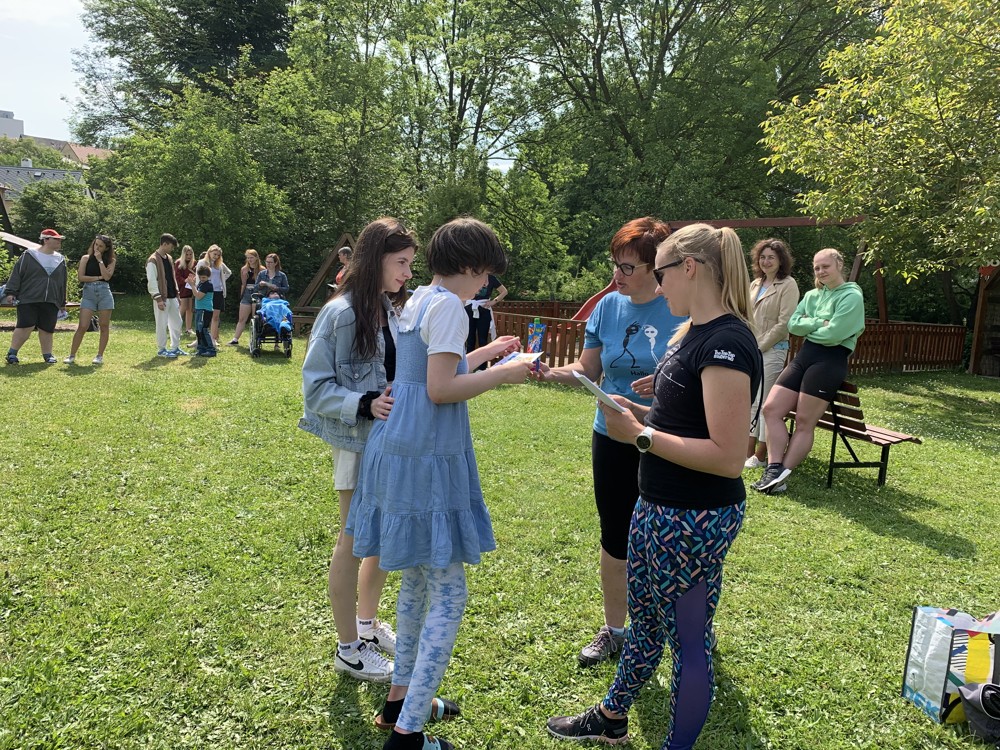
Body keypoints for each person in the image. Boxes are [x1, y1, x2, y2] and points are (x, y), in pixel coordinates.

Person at [547, 223, 762, 750]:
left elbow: (729, 457)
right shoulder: (693, 333)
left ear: (688, 268)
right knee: (644, 624)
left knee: (689, 642)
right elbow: (684, 421)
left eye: (661, 273)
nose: (658, 287)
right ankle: (612, 716)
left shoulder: (727, 342)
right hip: (658, 506)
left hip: (693, 517)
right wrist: (639, 412)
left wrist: (639, 435)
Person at [347, 218, 533, 750]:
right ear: (470, 266)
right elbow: (441, 389)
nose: (487, 284)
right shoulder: (450, 305)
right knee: (449, 593)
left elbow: (426, 372)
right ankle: (409, 734)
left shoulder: (420, 299)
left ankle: (399, 703)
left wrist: (490, 354)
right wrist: (509, 373)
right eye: (486, 274)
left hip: (399, 447)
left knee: (416, 581)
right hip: (425, 456)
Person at [530, 217, 684, 667]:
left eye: (627, 267)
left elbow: (701, 378)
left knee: (667, 540)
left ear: (658, 269)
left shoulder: (683, 308)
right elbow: (588, 370)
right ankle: (615, 631)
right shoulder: (607, 308)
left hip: (666, 438)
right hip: (611, 437)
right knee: (615, 534)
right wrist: (545, 372)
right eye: (615, 263)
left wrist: (666, 383)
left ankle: (679, 631)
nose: (617, 274)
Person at [300, 217, 417, 684]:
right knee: (352, 542)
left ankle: (367, 626)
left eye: (410, 263)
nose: (408, 272)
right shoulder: (341, 313)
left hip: (386, 443)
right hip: (355, 443)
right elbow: (315, 389)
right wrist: (365, 403)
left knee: (380, 539)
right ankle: (349, 650)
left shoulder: (387, 309)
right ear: (375, 260)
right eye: (401, 262)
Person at [753, 248, 865, 493]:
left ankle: (781, 474)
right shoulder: (813, 295)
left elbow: (835, 334)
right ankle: (774, 468)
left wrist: (810, 327)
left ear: (839, 265)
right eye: (817, 268)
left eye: (826, 266)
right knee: (771, 410)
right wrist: (819, 323)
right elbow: (793, 325)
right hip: (805, 357)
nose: (821, 271)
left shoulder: (851, 296)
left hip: (829, 362)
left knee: (804, 421)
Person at [744, 239, 799, 471]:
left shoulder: (788, 284)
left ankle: (760, 454)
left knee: (765, 403)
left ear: (781, 261)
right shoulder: (755, 284)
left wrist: (760, 346)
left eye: (771, 258)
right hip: (752, 349)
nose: (766, 261)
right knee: (751, 400)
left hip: (772, 350)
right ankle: (747, 451)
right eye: (763, 257)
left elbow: (784, 323)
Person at [4, 228, 68, 365]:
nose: (59, 241)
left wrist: (62, 302)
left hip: (51, 300)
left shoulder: (60, 259)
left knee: (47, 328)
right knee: (25, 325)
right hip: (28, 298)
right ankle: (12, 353)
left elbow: (62, 282)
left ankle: (48, 355)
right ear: (46, 240)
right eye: (56, 239)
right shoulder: (29, 255)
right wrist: (11, 292)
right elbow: (17, 273)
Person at [64, 234, 117, 365]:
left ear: (106, 248)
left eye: (100, 246)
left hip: (104, 293)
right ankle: (71, 355)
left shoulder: (111, 261)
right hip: (89, 293)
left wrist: (100, 261)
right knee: (83, 326)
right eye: (95, 244)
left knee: (104, 326)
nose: (96, 248)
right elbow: (81, 277)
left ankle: (99, 355)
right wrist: (98, 278)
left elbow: (107, 277)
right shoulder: (85, 258)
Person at [146, 233, 187, 358]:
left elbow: (172, 277)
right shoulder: (152, 260)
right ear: (164, 244)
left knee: (177, 322)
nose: (172, 249)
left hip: (172, 295)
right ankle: (162, 349)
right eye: (171, 246)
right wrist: (158, 298)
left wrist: (177, 294)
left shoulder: (169, 258)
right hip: (161, 297)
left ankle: (175, 347)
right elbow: (152, 281)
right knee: (161, 323)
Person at [465, 272, 507, 370]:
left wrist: (493, 302)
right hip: (469, 309)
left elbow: (504, 291)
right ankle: (467, 367)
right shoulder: (470, 275)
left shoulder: (491, 278)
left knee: (483, 340)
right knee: (469, 339)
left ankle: (482, 368)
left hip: (484, 309)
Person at [196, 245, 231, 346]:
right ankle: (200, 339)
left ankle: (213, 339)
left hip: (218, 291)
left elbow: (228, 272)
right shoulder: (202, 262)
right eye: (214, 254)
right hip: (206, 292)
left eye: (218, 255)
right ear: (209, 252)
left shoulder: (219, 264)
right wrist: (199, 288)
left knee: (215, 317)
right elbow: (197, 277)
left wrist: (222, 280)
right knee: (203, 316)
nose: (216, 257)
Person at [229, 249, 264, 345]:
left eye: (251, 257)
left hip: (257, 292)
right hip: (247, 292)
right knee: (242, 318)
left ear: (256, 258)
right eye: (248, 258)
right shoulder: (244, 269)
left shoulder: (262, 270)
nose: (250, 260)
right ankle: (235, 339)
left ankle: (254, 340)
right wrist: (241, 296)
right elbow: (243, 284)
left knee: (255, 318)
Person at [191, 265, 217, 357]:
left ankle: (211, 349)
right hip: (199, 309)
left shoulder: (207, 285)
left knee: (204, 330)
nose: (202, 279)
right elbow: (196, 294)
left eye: (204, 277)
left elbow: (198, 296)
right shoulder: (201, 284)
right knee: (198, 330)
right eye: (200, 277)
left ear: (208, 277)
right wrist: (193, 285)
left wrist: (192, 285)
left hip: (205, 310)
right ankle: (201, 349)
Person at [175, 245, 198, 336]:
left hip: (191, 288)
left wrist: (194, 279)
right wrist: (185, 280)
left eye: (190, 254)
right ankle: (177, 328)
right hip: (183, 288)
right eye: (187, 254)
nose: (189, 256)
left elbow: (197, 274)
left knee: (190, 309)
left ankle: (188, 329)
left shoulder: (194, 263)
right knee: (183, 307)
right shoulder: (178, 263)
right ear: (183, 254)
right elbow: (177, 276)